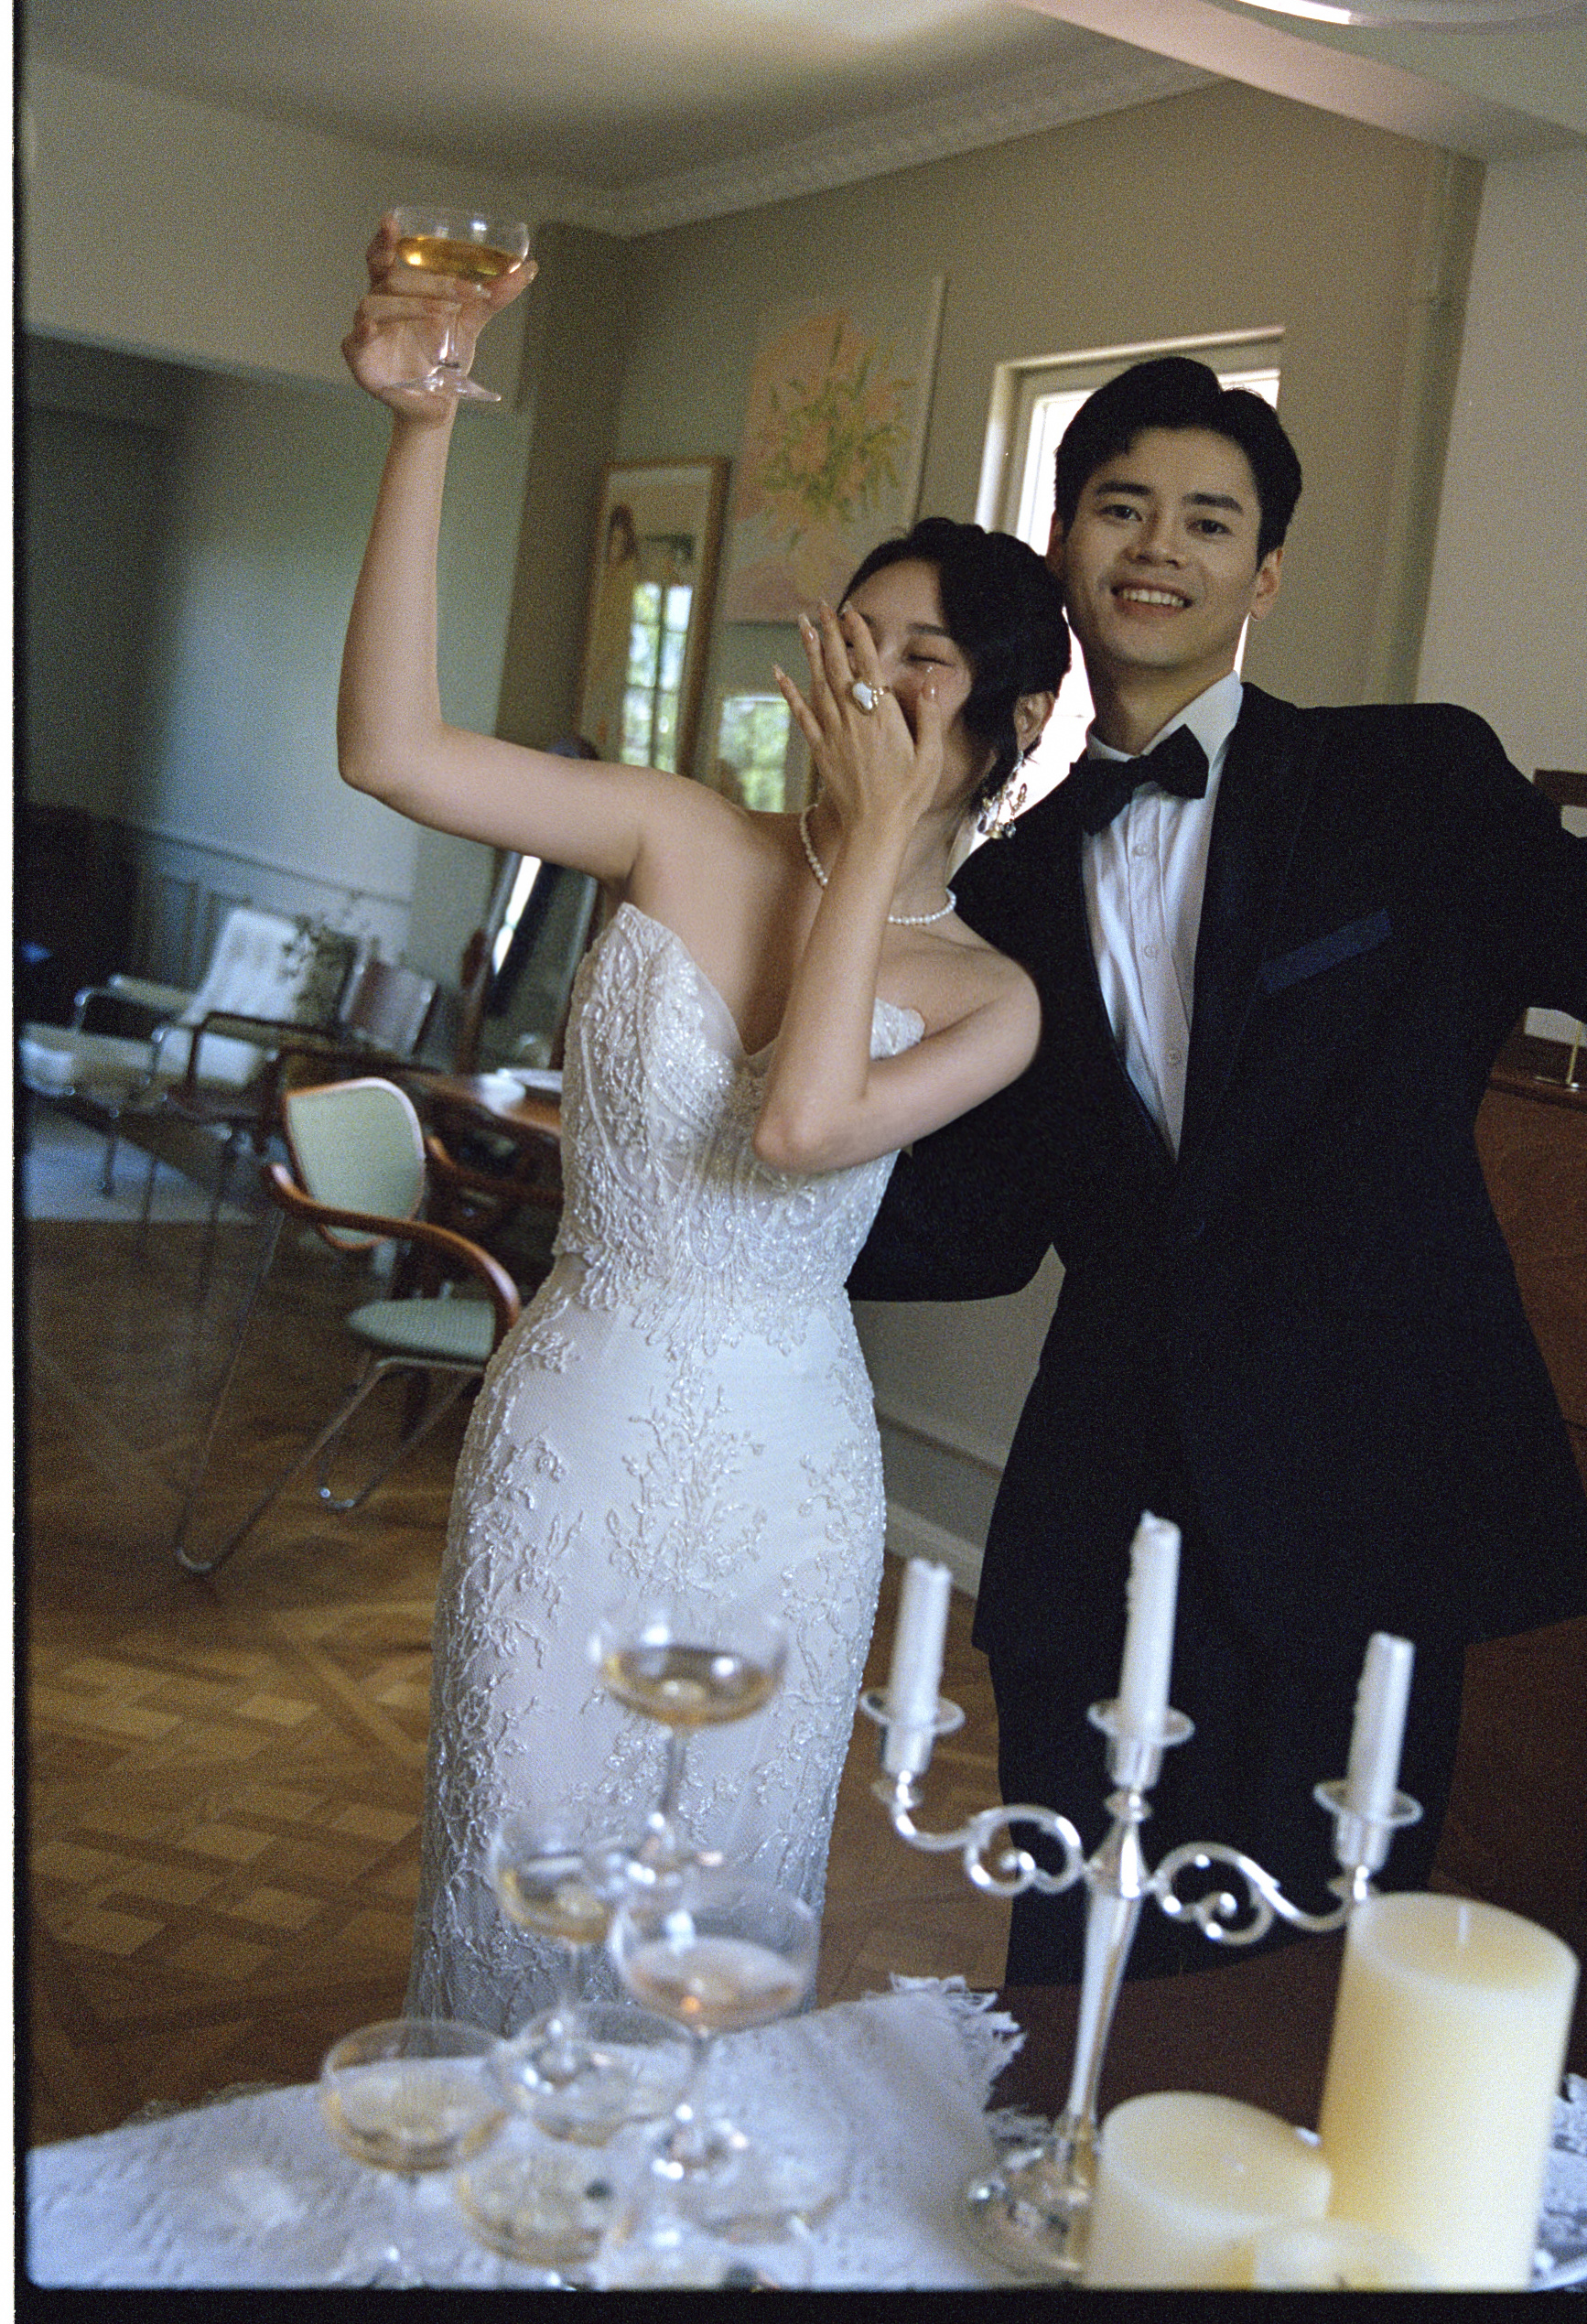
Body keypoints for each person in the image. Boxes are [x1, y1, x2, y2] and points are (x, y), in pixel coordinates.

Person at [848, 353, 1587, 1984]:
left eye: (1208, 519)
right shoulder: (1004, 884)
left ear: (1264, 573)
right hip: (1098, 1515)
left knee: (1312, 1992)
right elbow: (976, 1231)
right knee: (1072, 1970)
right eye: (1119, 507)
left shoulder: (1409, 782)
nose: (1158, 545)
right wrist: (715, 1200)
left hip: (1363, 1500)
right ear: (1065, 542)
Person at [336, 220, 1068, 2029]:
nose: (862, 682)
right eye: (850, 639)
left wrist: (876, 849)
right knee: (513, 1854)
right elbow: (394, 753)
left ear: (1017, 716)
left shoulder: (993, 997)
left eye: (918, 661)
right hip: (577, 1410)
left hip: (787, 1463)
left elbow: (804, 1124)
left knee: (720, 1901)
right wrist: (422, 432)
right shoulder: (677, 830)